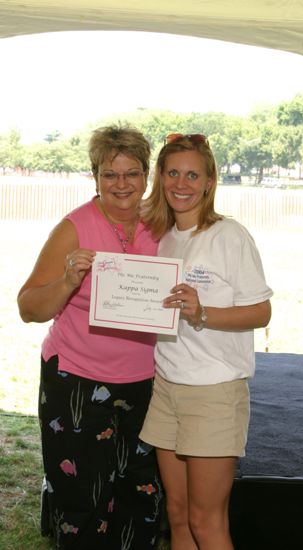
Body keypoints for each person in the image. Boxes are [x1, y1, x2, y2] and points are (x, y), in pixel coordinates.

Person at [17, 124, 163, 550]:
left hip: (145, 385)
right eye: (109, 173)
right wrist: (66, 281)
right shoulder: (74, 228)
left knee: (140, 496)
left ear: (146, 175)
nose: (121, 184)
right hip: (77, 382)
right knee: (83, 502)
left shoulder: (161, 222)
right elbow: (29, 308)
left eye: (131, 173)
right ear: (94, 176)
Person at [139, 133, 273, 550]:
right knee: (177, 517)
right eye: (173, 173)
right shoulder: (163, 237)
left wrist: (202, 313)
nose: (182, 183)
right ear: (160, 177)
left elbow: (261, 313)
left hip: (214, 392)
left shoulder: (229, 236)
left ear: (210, 181)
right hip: (167, 387)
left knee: (206, 521)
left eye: (193, 174)